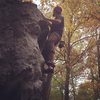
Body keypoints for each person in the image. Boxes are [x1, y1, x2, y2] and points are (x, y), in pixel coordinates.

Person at [42, 6, 64, 73]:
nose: (53, 12)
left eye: (54, 11)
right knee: (47, 46)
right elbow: (52, 25)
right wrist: (45, 21)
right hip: (55, 34)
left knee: (50, 42)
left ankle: (51, 63)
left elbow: (57, 22)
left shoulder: (60, 17)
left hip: (56, 34)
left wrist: (46, 19)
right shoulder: (57, 18)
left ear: (56, 11)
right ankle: (47, 66)